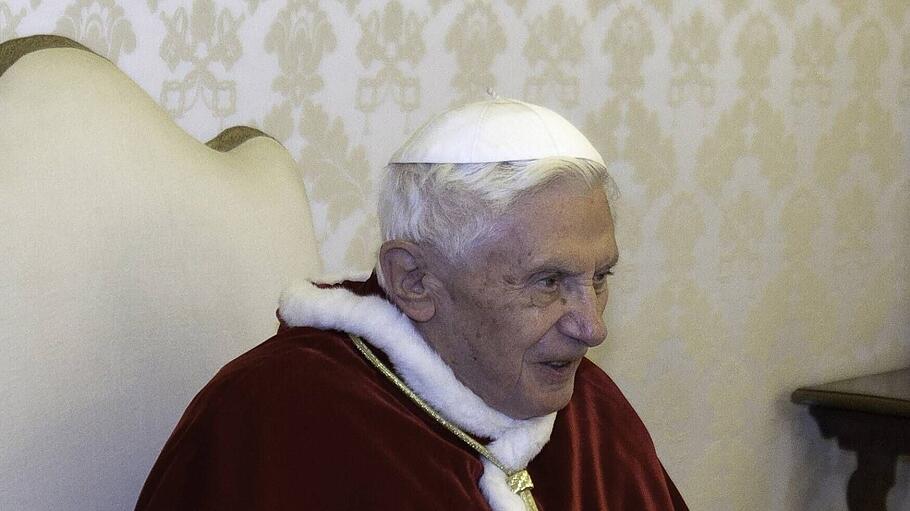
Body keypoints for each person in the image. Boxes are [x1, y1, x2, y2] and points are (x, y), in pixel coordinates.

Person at [135, 98, 688, 511]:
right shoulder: (279, 420)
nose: (592, 327)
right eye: (547, 282)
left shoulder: (591, 411)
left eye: (601, 277)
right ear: (415, 280)